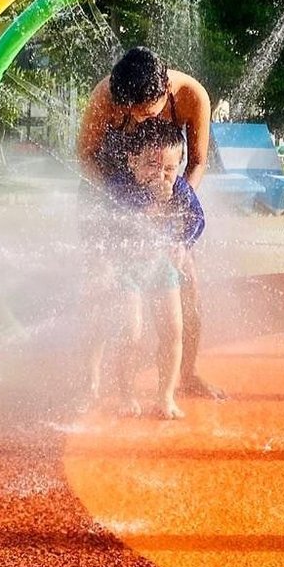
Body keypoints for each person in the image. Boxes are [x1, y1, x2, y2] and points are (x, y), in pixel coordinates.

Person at [77, 46, 219, 397]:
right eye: (130, 111)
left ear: (164, 91)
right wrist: (118, 202)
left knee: (189, 288)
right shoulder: (107, 95)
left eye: (146, 111)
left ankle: (187, 375)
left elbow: (198, 162)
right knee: (103, 285)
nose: (138, 119)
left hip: (165, 200)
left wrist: (172, 201)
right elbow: (84, 155)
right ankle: (91, 380)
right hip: (108, 198)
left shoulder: (191, 97)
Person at [96, 117, 206, 418]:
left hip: (161, 267)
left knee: (173, 331)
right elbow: (114, 218)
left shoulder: (180, 187)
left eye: (169, 169)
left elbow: (198, 220)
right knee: (131, 332)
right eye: (150, 165)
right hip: (126, 268)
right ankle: (126, 395)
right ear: (132, 160)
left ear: (179, 166)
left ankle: (165, 397)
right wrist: (151, 198)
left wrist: (183, 243)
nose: (160, 175)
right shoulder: (120, 186)